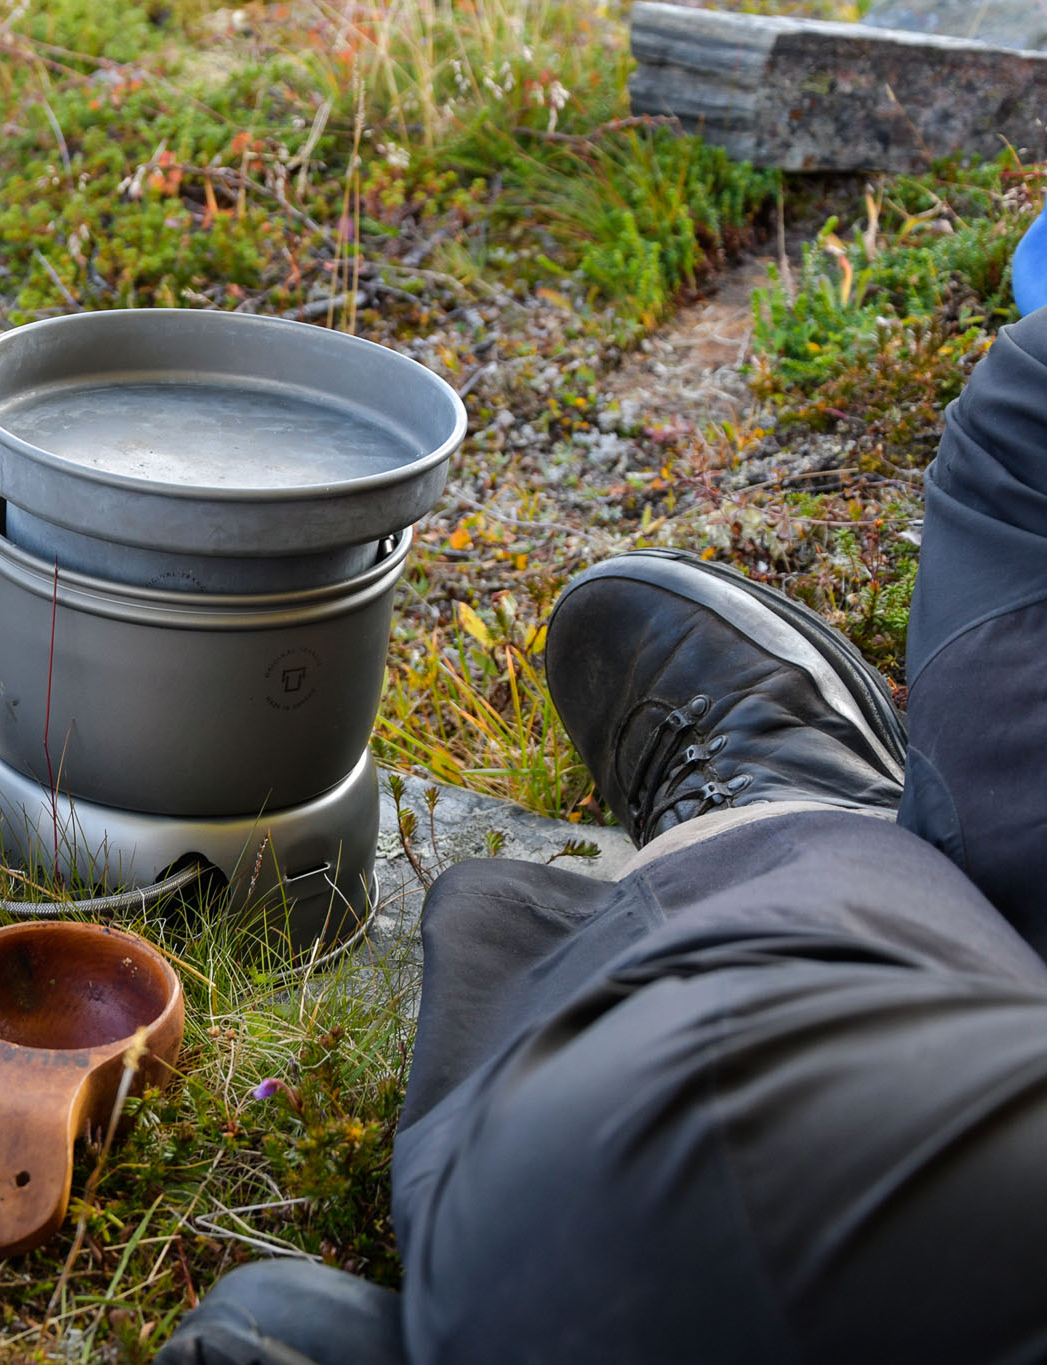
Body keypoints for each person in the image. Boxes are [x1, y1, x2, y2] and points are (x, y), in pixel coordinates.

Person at [158, 301, 1047, 1364]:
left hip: (637, 1183)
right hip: (538, 1251)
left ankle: (774, 823)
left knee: (776, 1006)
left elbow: (1019, 418)